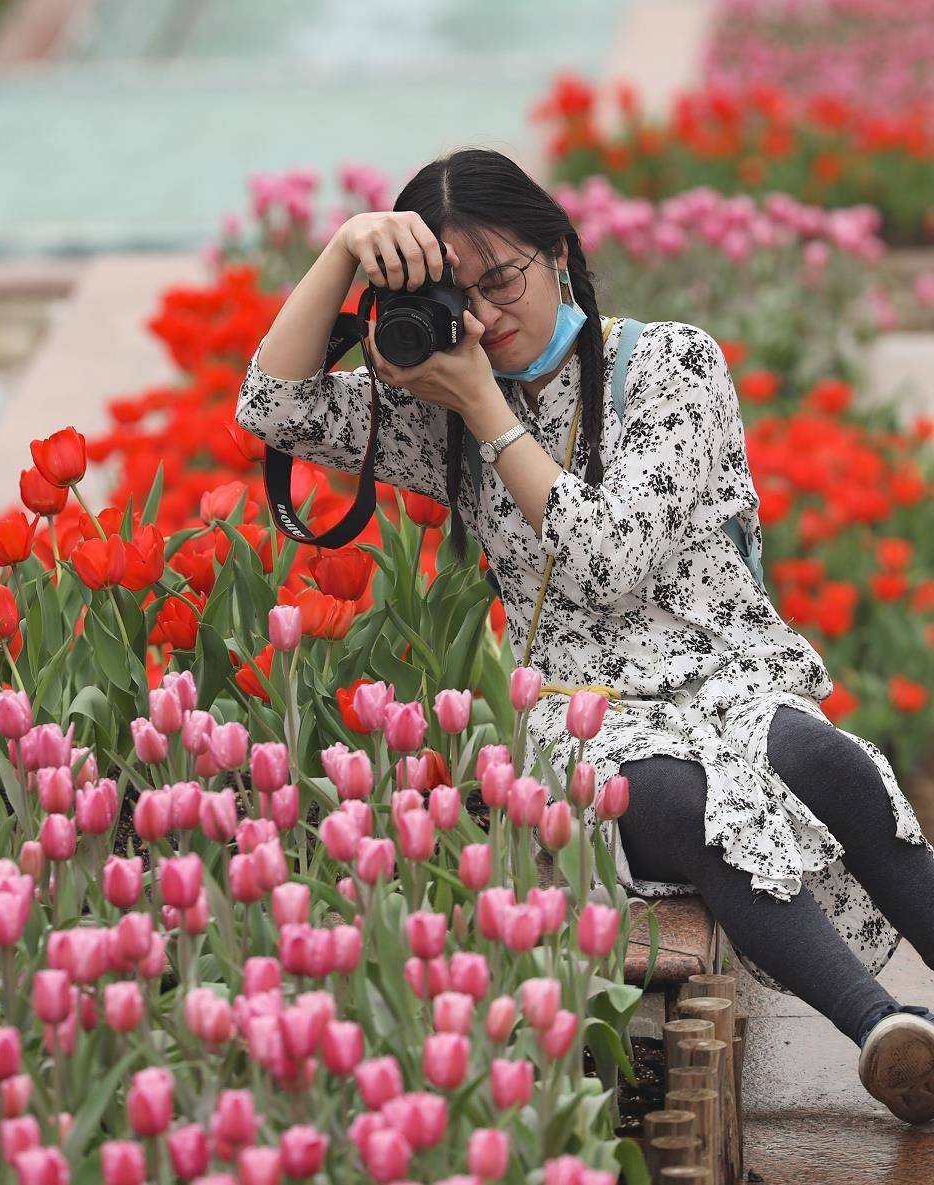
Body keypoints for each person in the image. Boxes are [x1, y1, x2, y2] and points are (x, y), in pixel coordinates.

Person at [234, 146, 934, 1124]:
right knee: (684, 804)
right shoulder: (446, 405)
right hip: (580, 717)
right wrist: (347, 251)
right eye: (457, 294)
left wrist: (480, 406)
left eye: (502, 278)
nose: (484, 315)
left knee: (826, 761)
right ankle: (885, 1034)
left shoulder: (672, 366)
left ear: (558, 250)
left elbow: (610, 560)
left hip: (725, 680)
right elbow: (271, 408)